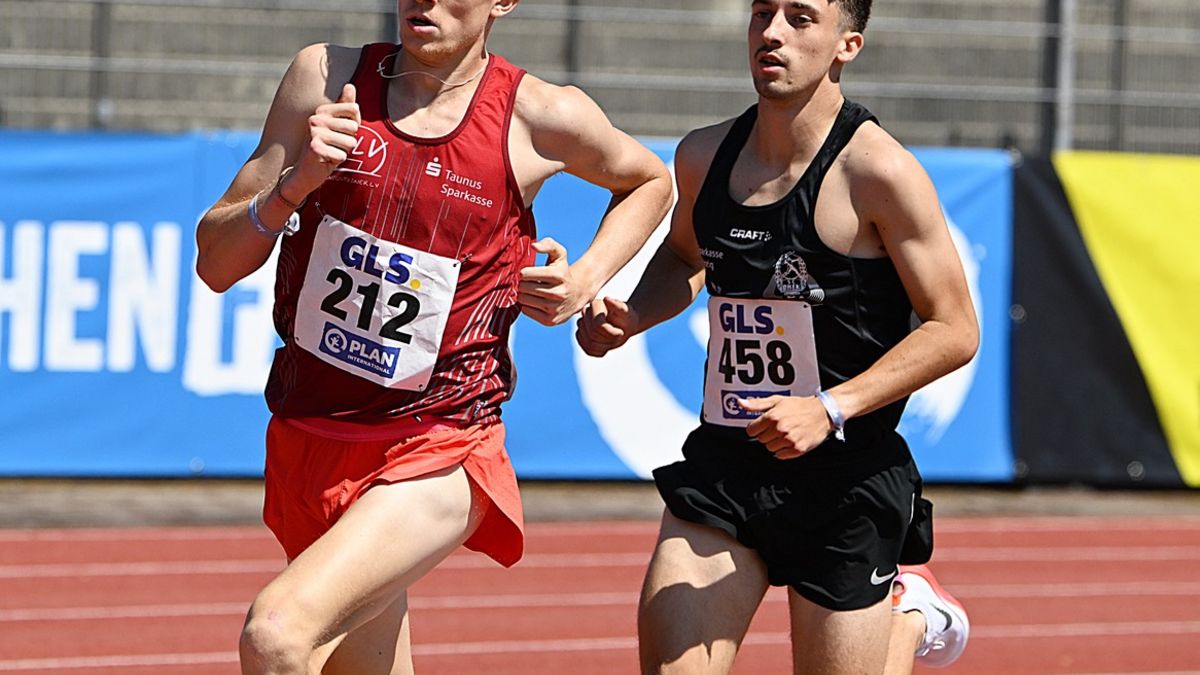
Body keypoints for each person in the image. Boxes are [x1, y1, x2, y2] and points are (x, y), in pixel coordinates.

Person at [195, 0, 673, 672]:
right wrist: (292, 186)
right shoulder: (325, 80)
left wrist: (586, 278)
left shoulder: (538, 114)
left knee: (276, 634)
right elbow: (214, 264)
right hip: (309, 437)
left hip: (439, 445)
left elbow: (652, 179)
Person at [574, 0, 978, 672]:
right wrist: (634, 315)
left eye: (800, 18)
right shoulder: (703, 155)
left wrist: (829, 407)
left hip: (847, 481)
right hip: (729, 463)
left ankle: (909, 614)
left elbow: (955, 329)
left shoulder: (880, 173)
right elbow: (683, 256)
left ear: (847, 44)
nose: (772, 33)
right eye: (763, 13)